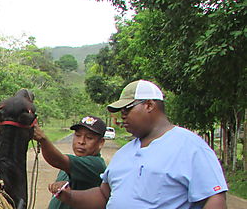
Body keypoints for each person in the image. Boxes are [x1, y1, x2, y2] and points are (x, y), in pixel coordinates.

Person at [55, 80, 228, 209]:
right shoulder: (124, 153)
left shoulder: (190, 147)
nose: (122, 116)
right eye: (121, 111)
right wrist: (69, 196)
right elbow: (103, 195)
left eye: (127, 109)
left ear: (149, 105)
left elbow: (214, 198)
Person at [34, 116, 107, 209]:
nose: (81, 141)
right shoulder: (67, 167)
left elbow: (57, 160)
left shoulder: (96, 165)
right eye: (78, 135)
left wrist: (43, 139)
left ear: (101, 142)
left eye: (89, 138)